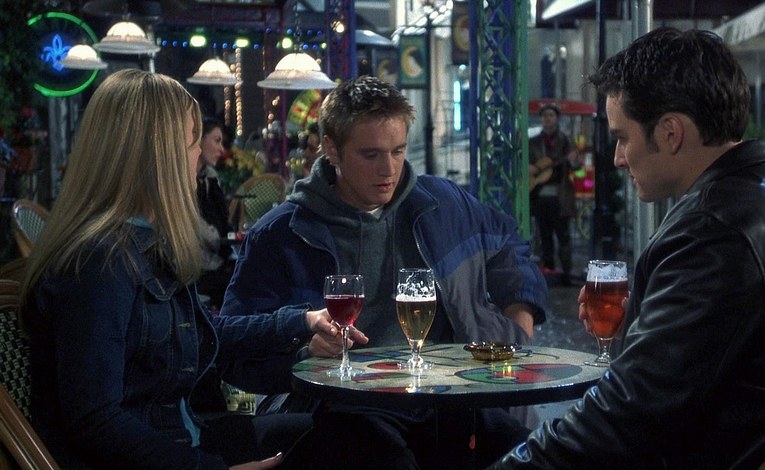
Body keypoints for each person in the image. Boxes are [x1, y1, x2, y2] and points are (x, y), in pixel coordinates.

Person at [490, 27, 765, 469]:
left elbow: (624, 416)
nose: (618, 158)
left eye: (623, 137)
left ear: (671, 133)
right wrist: (652, 320)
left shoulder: (713, 233)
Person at [220, 75, 549, 469]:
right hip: (343, 405)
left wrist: (520, 317)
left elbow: (509, 243)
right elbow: (233, 349)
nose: (388, 169)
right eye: (371, 154)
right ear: (332, 149)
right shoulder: (281, 234)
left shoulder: (442, 204)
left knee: (535, 454)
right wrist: (304, 352)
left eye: (398, 151)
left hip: (444, 396)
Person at [19, 69, 337, 470]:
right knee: (346, 443)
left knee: (347, 431)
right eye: (192, 143)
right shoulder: (100, 262)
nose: (200, 157)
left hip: (188, 437)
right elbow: (96, 421)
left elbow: (203, 333)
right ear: (157, 157)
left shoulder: (139, 242)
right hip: (173, 454)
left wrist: (301, 321)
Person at [528, 102, 581, 286]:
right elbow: (524, 164)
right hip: (539, 196)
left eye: (551, 115)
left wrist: (574, 161)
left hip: (560, 196)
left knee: (563, 236)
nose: (547, 119)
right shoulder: (533, 142)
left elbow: (577, 167)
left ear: (557, 118)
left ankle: (566, 274)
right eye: (544, 116)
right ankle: (547, 272)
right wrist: (529, 168)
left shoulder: (565, 141)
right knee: (544, 237)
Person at [196, 117, 235, 311]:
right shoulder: (183, 180)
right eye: (216, 141)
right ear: (199, 141)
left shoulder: (210, 177)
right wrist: (220, 239)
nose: (221, 149)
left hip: (217, 261)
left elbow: (223, 221)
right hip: (198, 268)